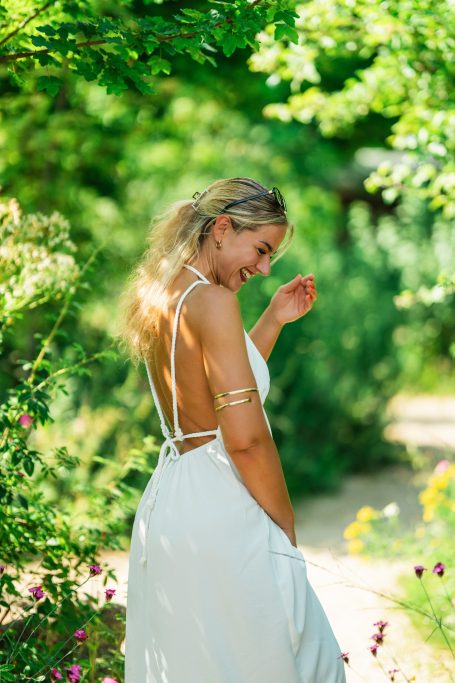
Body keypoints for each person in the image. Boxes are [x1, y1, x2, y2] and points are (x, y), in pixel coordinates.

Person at [120, 177, 346, 682]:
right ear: (221, 229)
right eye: (261, 250)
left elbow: (211, 392)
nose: (264, 269)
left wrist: (273, 320)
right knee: (296, 663)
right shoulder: (214, 303)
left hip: (172, 503)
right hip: (223, 507)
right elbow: (245, 440)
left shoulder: (162, 293)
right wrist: (285, 527)